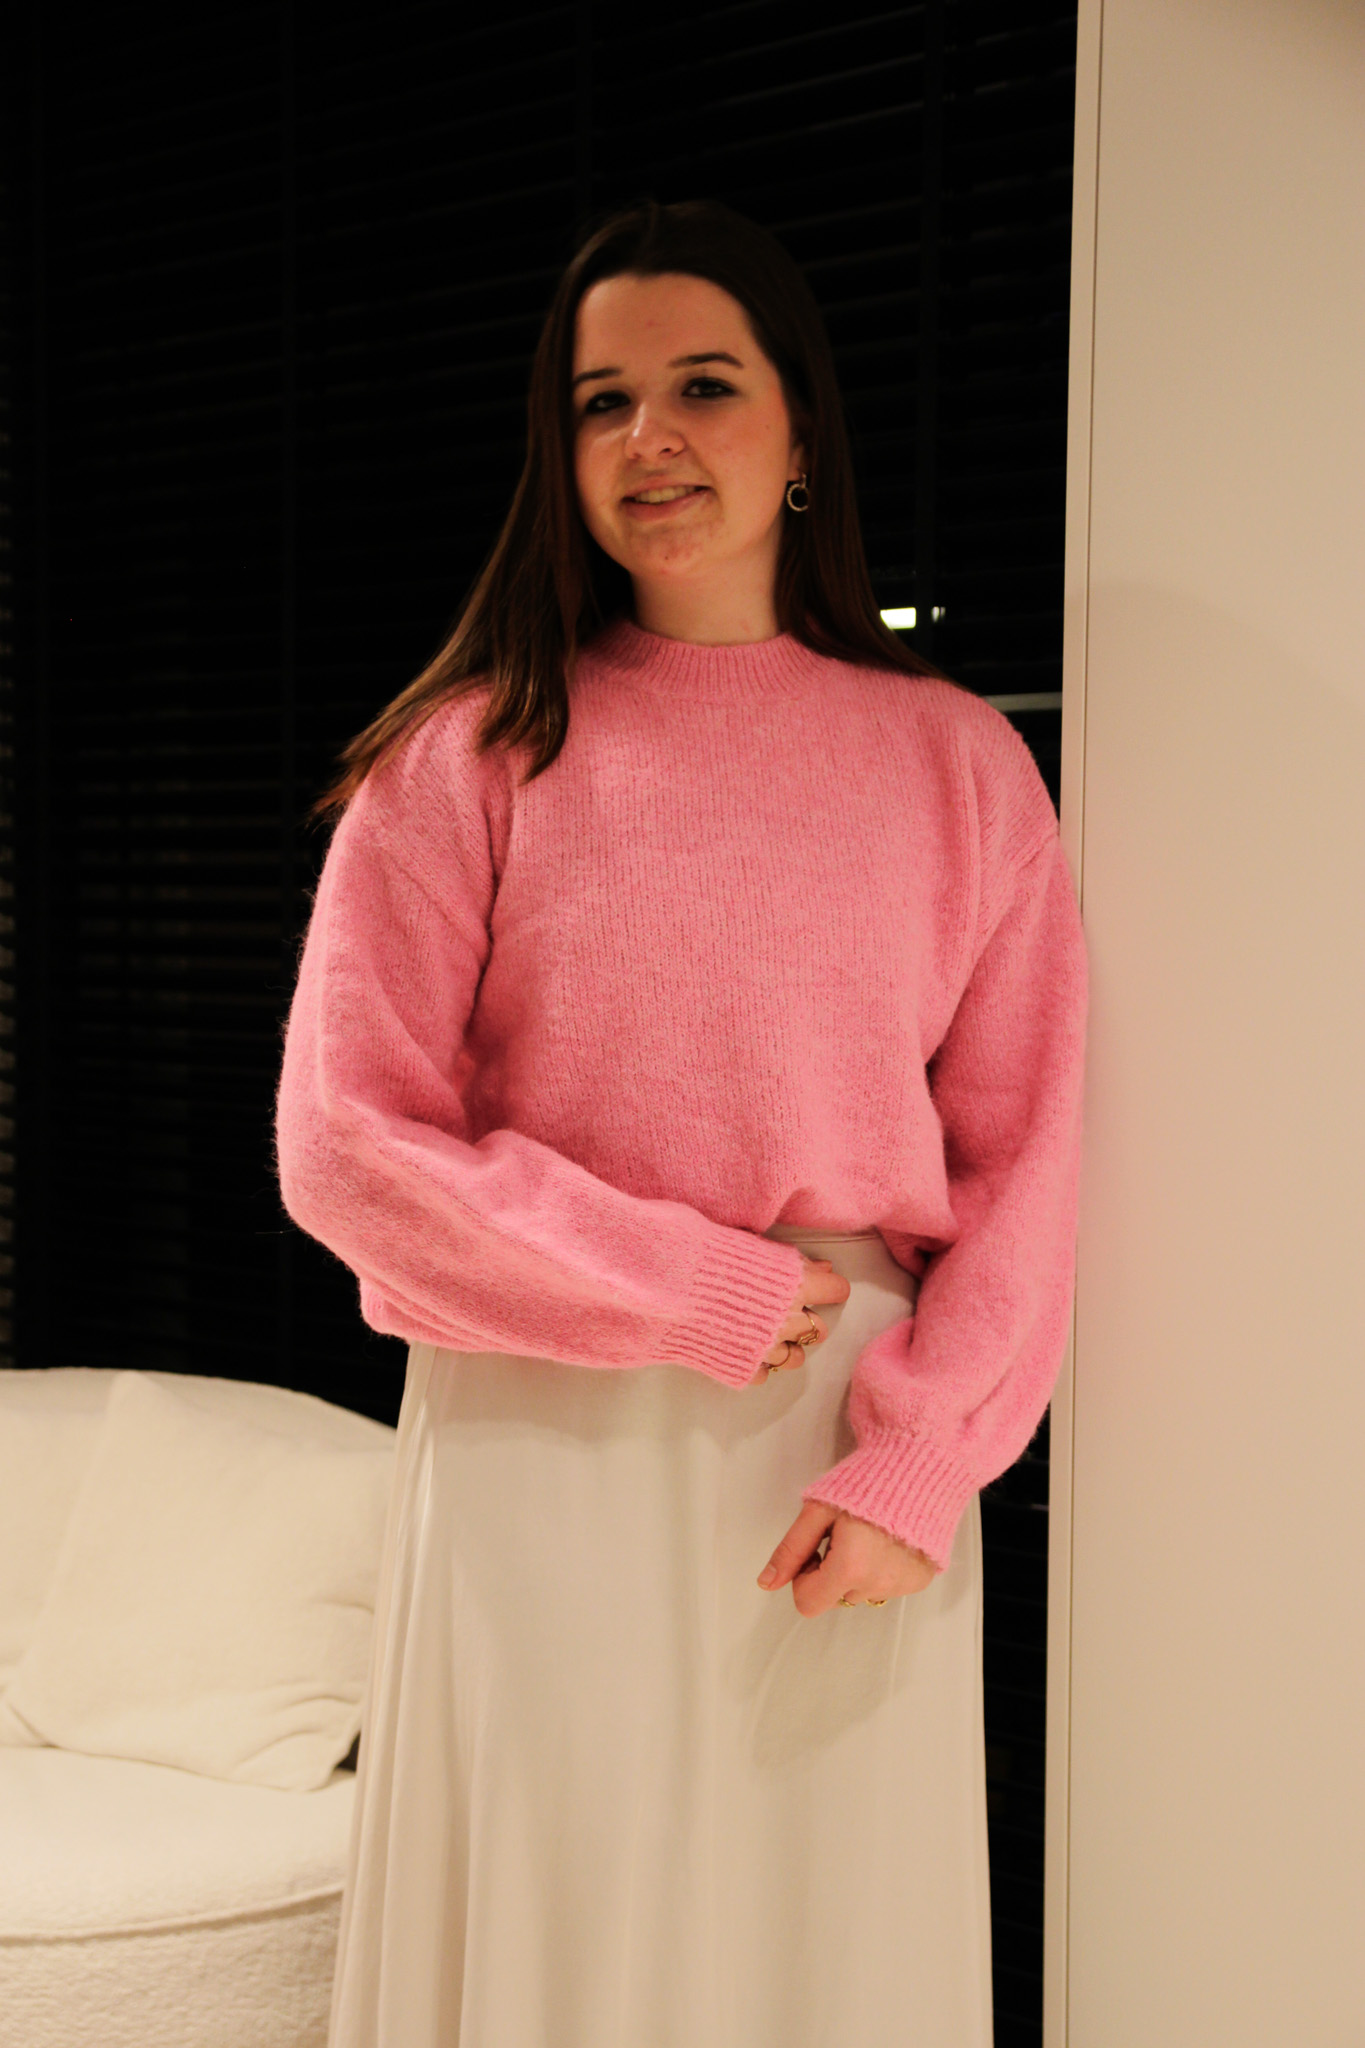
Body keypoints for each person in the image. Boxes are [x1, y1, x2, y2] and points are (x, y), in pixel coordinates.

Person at [274, 196, 1087, 2048]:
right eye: (600, 402)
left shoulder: (957, 760)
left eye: (703, 385)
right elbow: (345, 1140)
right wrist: (677, 1290)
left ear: (800, 428)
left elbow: (1027, 1161)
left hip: (836, 1452)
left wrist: (919, 1465)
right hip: (535, 1430)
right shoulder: (469, 753)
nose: (648, 437)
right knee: (555, 1931)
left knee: (822, 1951)